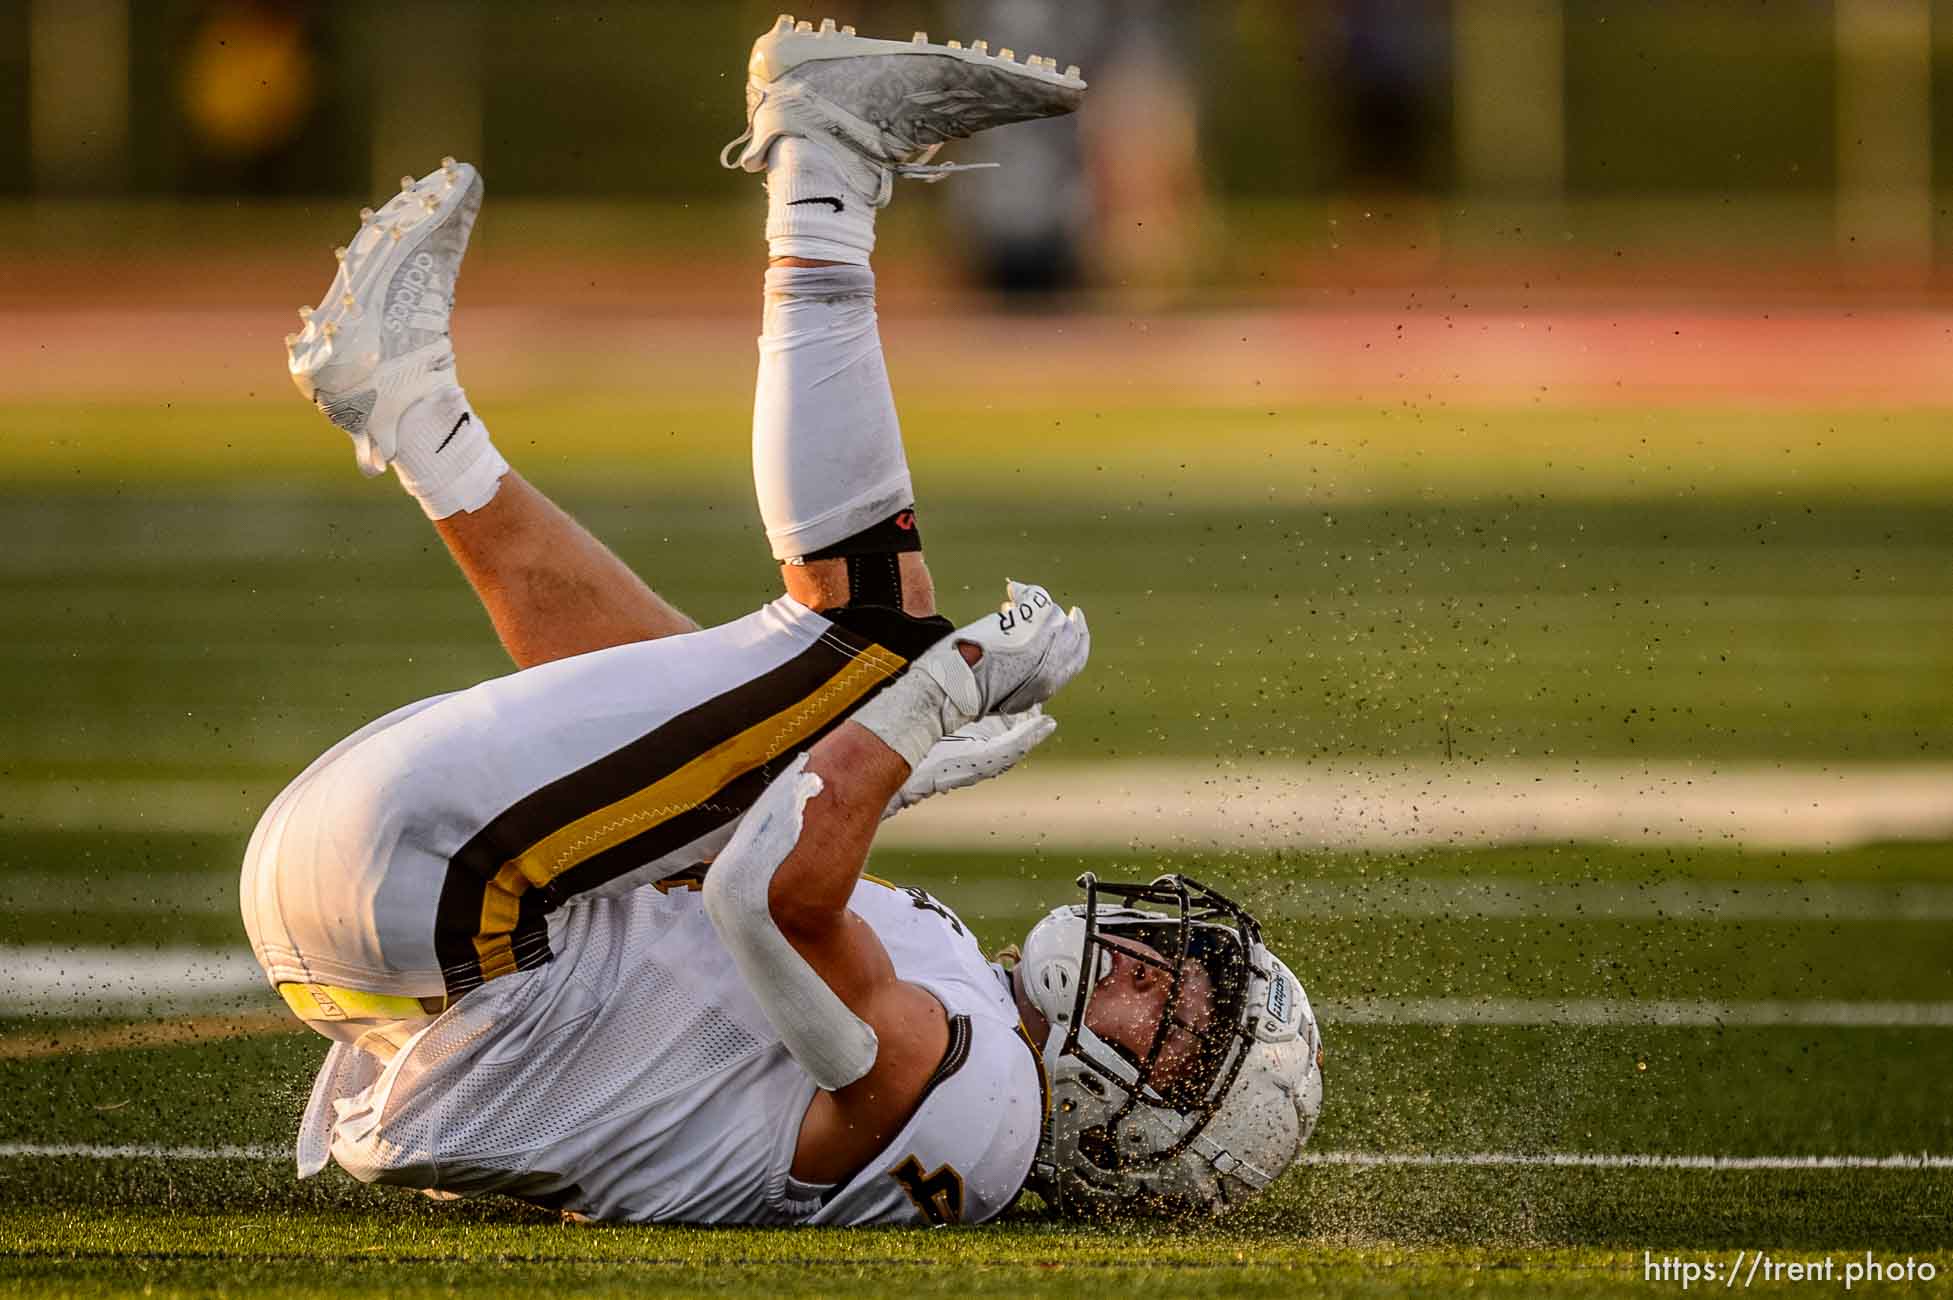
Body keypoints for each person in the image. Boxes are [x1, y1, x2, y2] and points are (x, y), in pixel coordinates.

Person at [244, 16, 1321, 1226]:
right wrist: (863, 762)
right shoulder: (970, 1023)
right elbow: (725, 842)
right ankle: (414, 412)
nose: (1157, 973)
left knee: (872, 638)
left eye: (1174, 1025)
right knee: (737, 696)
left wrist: (932, 697)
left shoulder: (992, 1127)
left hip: (447, 899)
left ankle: (826, 164)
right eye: (1187, 975)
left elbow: (765, 894)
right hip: (400, 930)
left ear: (1134, 1139)